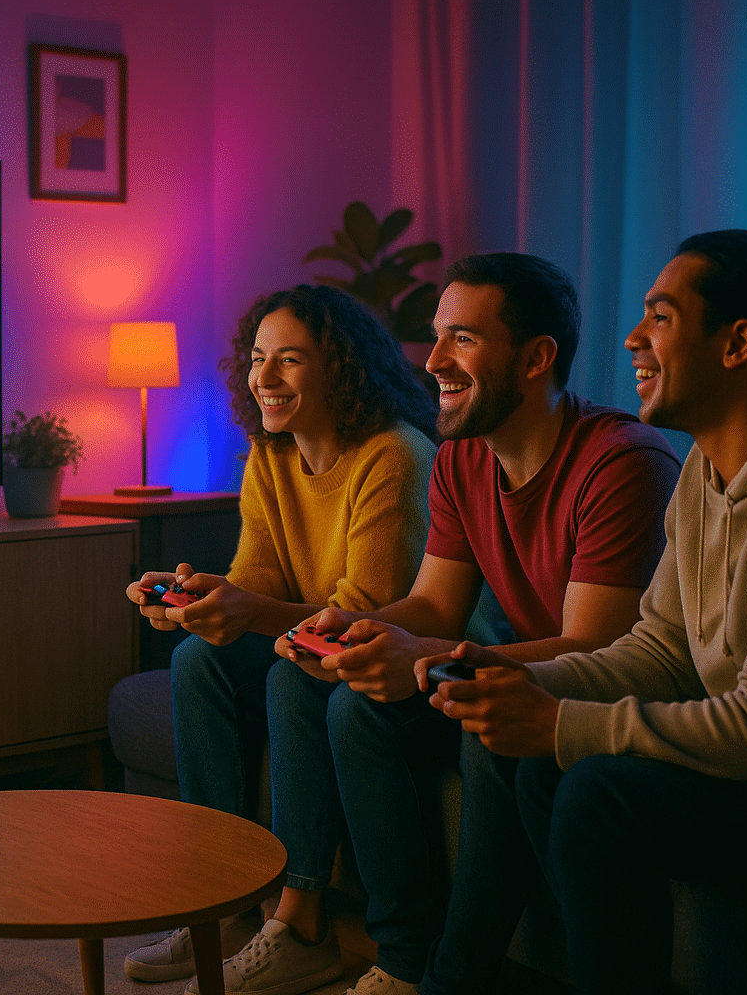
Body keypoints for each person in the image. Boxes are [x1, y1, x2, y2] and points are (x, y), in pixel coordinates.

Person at [430, 229, 747, 995]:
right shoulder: (707, 468)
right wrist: (516, 676)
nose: (633, 338)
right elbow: (663, 652)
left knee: (601, 794)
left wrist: (564, 722)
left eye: (661, 317)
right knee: (537, 771)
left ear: (738, 342)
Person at [283, 252, 682, 995]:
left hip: (596, 695)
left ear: (536, 358)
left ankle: (453, 978)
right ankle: (401, 955)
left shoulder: (622, 461)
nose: (432, 360)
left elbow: (599, 646)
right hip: (532, 670)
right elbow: (434, 606)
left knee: (481, 715)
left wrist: (423, 654)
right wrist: (357, 628)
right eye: (437, 336)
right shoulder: (461, 459)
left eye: (461, 338)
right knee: (350, 705)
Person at [122, 284, 441, 987]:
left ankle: (300, 921)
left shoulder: (394, 454)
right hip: (317, 637)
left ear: (344, 368)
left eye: (290, 360)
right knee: (196, 660)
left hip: (401, 655)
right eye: (259, 359)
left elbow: (362, 617)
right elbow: (254, 581)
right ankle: (214, 901)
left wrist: (248, 610)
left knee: (290, 672)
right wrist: (200, 603)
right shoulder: (270, 457)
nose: (264, 378)